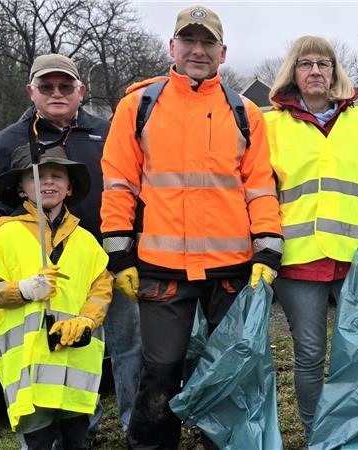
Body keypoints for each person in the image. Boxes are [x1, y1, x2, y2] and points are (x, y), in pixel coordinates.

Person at [99, 5, 283, 449]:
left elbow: (260, 186)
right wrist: (120, 254)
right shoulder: (138, 105)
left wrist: (268, 249)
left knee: (230, 368)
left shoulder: (244, 112)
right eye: (189, 40)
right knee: (161, 370)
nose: (198, 50)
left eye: (207, 43)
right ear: (172, 47)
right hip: (162, 268)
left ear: (223, 52)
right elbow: (119, 182)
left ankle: (225, 442)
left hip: (231, 267)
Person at [0, 53, 143, 438]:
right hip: (51, 272)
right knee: (72, 346)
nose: (56, 93)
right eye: (46, 86)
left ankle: (136, 424)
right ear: (30, 90)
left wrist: (132, 249)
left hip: (110, 259)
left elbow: (133, 189)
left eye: (65, 86)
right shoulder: (10, 140)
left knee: (128, 346)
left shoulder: (108, 131)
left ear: (80, 91)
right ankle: (86, 423)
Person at [264, 35, 358, 441]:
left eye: (324, 63)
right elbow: (260, 195)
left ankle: (355, 431)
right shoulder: (270, 125)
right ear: (293, 72)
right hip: (298, 261)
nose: (316, 71)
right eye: (305, 64)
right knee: (309, 355)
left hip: (356, 261)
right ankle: (316, 435)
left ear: (335, 71)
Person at [0, 144, 112, 450]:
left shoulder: (86, 240)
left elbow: (101, 287)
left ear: (69, 187)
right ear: (22, 189)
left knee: (79, 438)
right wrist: (23, 290)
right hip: (30, 372)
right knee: (39, 443)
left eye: (57, 176)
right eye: (37, 177)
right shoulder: (5, 236)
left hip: (75, 362)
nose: (47, 182)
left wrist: (88, 317)